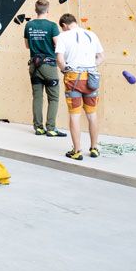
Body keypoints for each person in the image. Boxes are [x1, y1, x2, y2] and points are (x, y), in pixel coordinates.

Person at [55, 13, 105, 161]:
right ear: (75, 22)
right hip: (91, 77)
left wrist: (65, 69)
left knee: (75, 115)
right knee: (92, 114)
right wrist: (89, 65)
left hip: (74, 78)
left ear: (64, 25)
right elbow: (102, 56)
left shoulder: (63, 36)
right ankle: (94, 148)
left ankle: (77, 151)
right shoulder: (91, 34)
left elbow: (59, 59)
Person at [25, 0, 66, 138]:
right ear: (47, 10)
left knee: (37, 97)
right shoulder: (52, 26)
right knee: (53, 98)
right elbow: (58, 45)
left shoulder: (29, 25)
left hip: (34, 65)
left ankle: (38, 128)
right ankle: (51, 128)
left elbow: (27, 46)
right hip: (49, 66)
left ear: (36, 10)